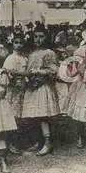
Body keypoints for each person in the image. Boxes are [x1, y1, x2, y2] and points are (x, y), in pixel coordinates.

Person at [21, 25, 59, 156]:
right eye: (36, 36)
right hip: (32, 85)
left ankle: (48, 143)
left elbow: (53, 70)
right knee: (34, 116)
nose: (38, 39)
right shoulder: (31, 53)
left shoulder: (49, 53)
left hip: (43, 86)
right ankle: (38, 141)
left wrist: (39, 72)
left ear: (46, 37)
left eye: (41, 36)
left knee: (43, 115)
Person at [2, 31, 31, 154]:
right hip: (13, 89)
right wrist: (16, 75)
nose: (18, 45)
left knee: (21, 116)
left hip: (23, 88)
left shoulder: (25, 58)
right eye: (16, 42)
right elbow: (8, 73)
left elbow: (28, 73)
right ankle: (10, 143)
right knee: (12, 115)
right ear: (12, 44)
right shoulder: (10, 58)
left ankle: (20, 142)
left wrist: (23, 75)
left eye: (21, 43)